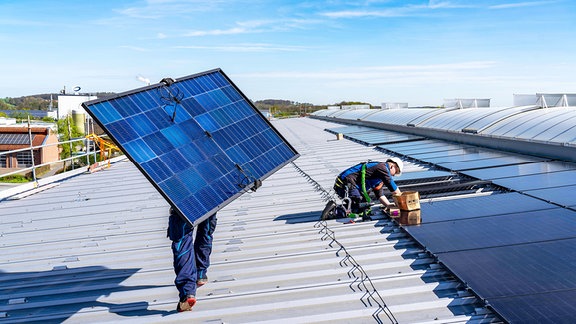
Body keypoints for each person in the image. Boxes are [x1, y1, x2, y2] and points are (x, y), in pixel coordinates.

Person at [167, 207, 217, 312]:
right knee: (206, 228)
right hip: (210, 196)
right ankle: (200, 273)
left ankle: (187, 292)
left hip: (182, 198)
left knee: (182, 241)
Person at [333, 158, 403, 217]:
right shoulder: (382, 167)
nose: (393, 175)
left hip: (347, 187)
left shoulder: (379, 177)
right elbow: (392, 186)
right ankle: (335, 211)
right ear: (392, 166)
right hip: (345, 184)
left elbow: (380, 195)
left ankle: (342, 209)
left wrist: (388, 205)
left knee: (364, 208)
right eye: (395, 172)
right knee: (360, 206)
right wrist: (403, 202)